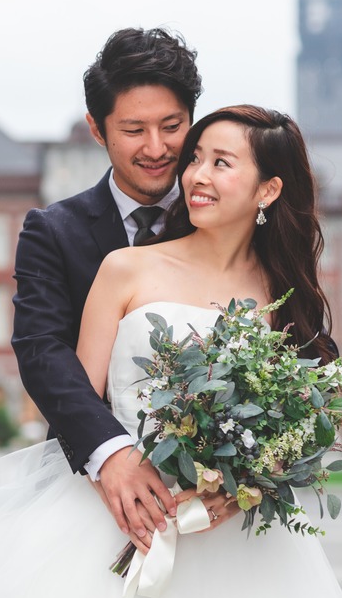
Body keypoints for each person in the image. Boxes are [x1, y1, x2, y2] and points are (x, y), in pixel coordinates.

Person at [0, 105, 342, 598]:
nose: (197, 176)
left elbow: (305, 415)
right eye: (196, 158)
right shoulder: (126, 268)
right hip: (116, 514)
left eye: (221, 163)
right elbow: (77, 405)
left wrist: (250, 483)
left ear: (268, 190)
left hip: (241, 538)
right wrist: (120, 474)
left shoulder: (283, 293)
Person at [13, 27, 203, 549]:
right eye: (134, 129)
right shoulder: (53, 231)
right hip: (94, 490)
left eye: (172, 126)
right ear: (98, 130)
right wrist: (111, 451)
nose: (157, 148)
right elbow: (41, 351)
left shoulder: (225, 224)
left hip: (215, 499)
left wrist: (252, 465)